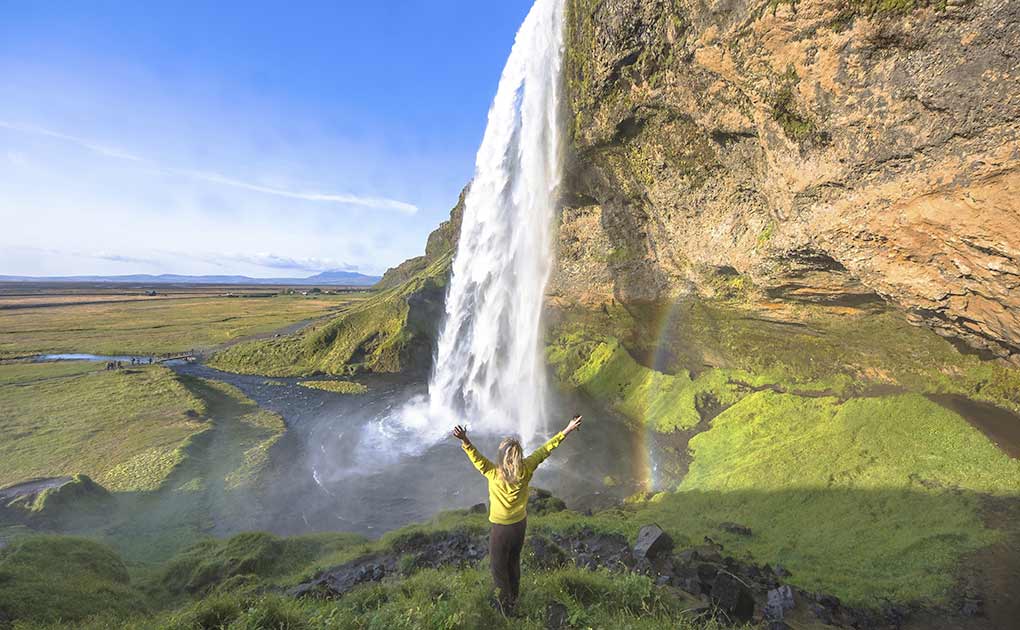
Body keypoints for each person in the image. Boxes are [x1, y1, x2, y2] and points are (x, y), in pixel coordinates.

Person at [452, 414, 583, 615]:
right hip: (519, 525)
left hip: (501, 529)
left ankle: (507, 609)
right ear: (518, 456)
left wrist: (464, 440)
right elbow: (547, 449)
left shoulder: (493, 473)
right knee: (513, 561)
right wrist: (568, 429)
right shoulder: (527, 468)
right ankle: (515, 597)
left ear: (502, 457)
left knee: (498, 567)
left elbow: (475, 456)